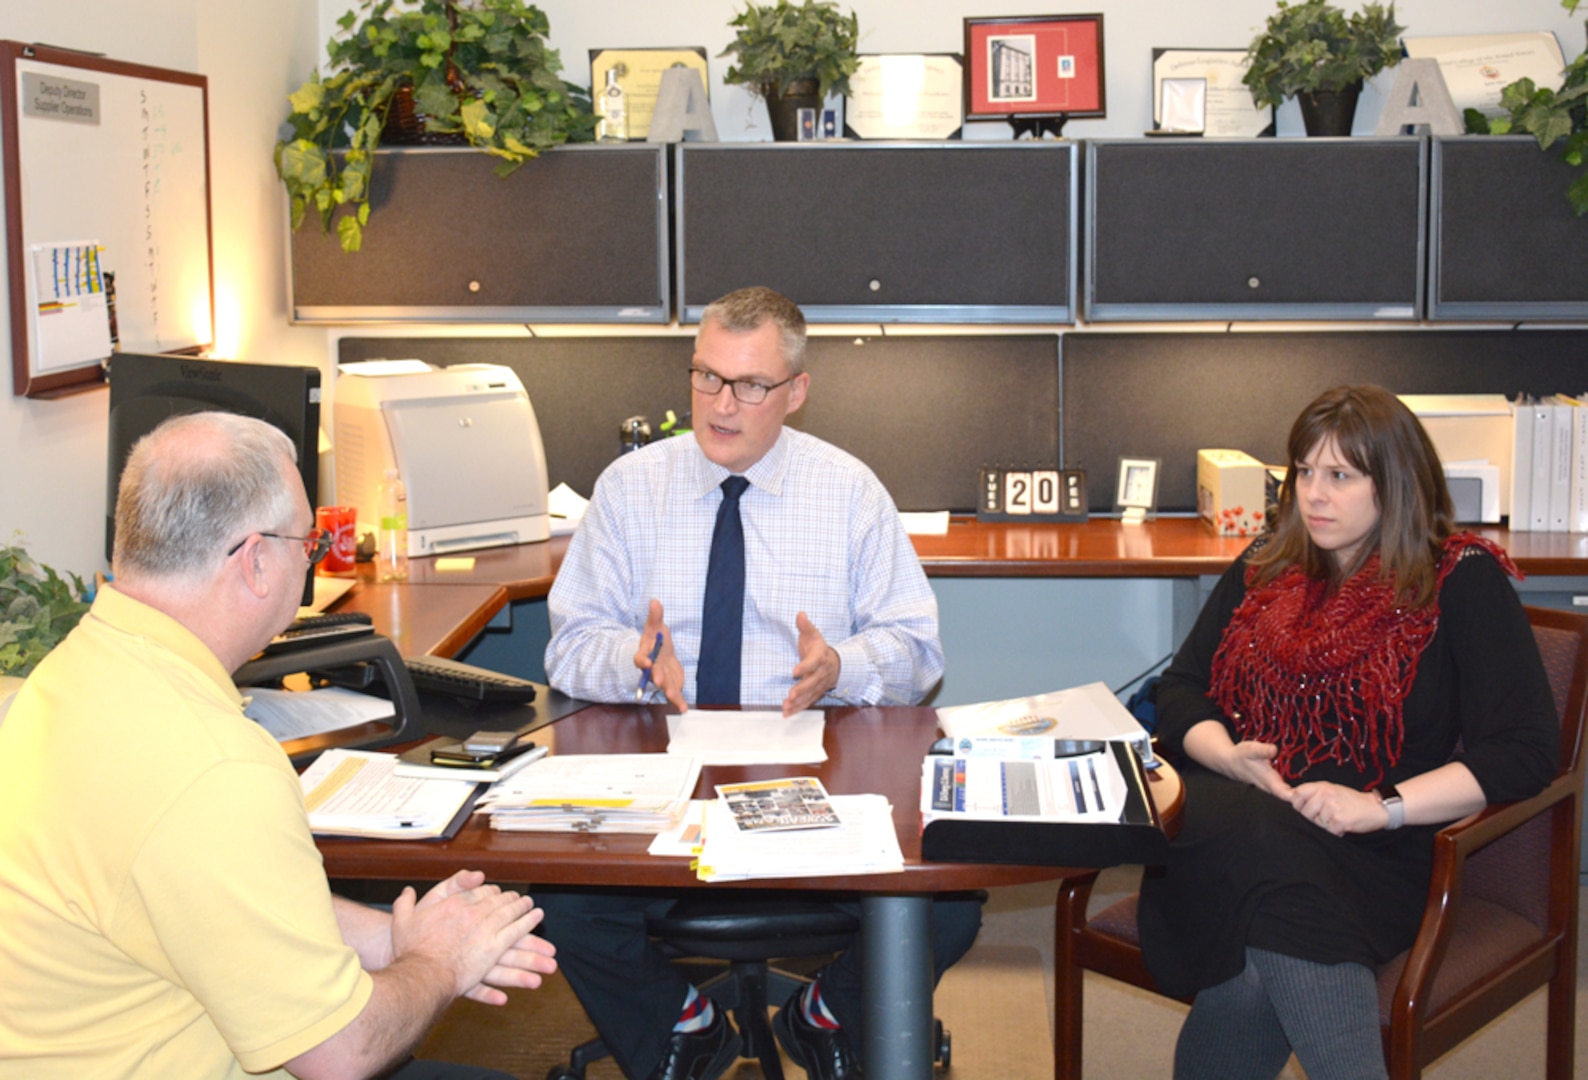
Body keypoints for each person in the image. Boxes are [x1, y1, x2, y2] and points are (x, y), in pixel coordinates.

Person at [0, 412, 558, 1080]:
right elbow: (342, 1054)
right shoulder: (217, 767)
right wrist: (439, 962)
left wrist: (394, 938)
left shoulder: (68, 676)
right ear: (256, 560)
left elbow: (222, 893)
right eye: (307, 542)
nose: (311, 558)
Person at [540, 286, 978, 1080]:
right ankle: (683, 1026)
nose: (721, 405)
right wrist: (633, 663)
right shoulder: (629, 489)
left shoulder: (849, 493)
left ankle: (824, 1013)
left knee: (948, 905)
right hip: (659, 773)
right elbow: (570, 642)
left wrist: (843, 667)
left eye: (750, 386)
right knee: (558, 902)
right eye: (706, 377)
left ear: (797, 392)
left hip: (811, 778)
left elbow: (918, 651)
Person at [1137, 385, 1559, 1080]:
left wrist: (1380, 806)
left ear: (1394, 484)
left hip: (1374, 850)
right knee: (1257, 837)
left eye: (1340, 475)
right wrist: (1230, 757)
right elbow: (1182, 691)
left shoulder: (1457, 581)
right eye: (1304, 472)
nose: (1314, 495)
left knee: (1252, 974)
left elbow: (1523, 749)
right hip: (1238, 816)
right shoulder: (1267, 565)